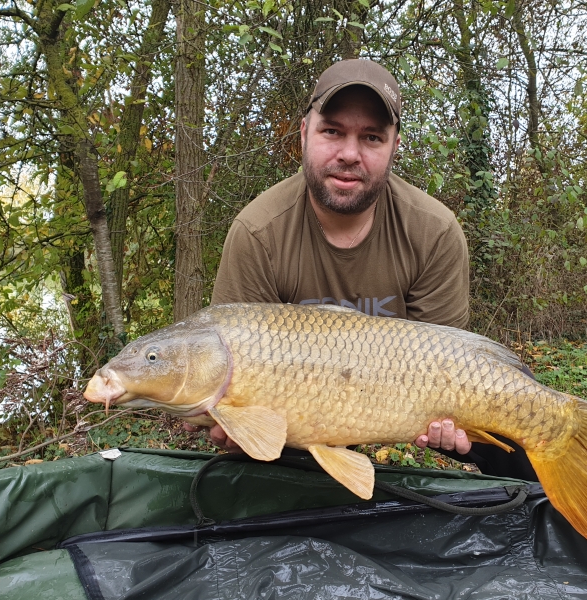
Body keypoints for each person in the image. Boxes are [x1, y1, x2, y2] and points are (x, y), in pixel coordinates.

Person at [204, 58, 537, 480]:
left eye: (372, 137)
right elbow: (232, 376)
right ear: (304, 133)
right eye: (332, 131)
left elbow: (451, 364)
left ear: (394, 146)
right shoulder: (257, 233)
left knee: (512, 415)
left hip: (408, 407)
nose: (349, 154)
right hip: (293, 428)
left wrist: (451, 426)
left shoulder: (433, 231)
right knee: (254, 459)